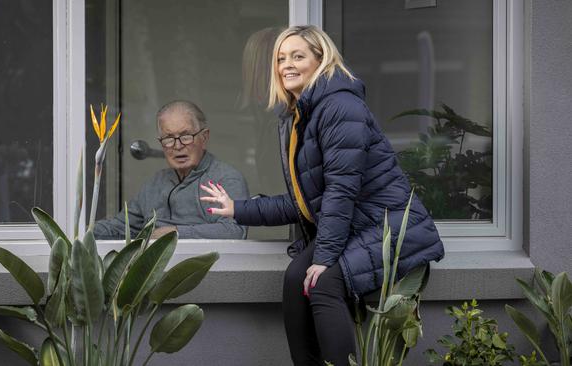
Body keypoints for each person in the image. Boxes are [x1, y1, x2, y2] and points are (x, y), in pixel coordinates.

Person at [201, 26, 444, 365]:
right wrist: (237, 209)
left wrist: (324, 257)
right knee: (294, 279)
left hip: (386, 225)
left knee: (324, 282)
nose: (287, 64)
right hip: (354, 223)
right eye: (281, 58)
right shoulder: (299, 115)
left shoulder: (340, 106)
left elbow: (342, 190)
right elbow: (303, 202)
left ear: (321, 59)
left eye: (297, 56)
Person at [94, 100, 249, 240]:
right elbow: (120, 227)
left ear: (204, 137)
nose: (177, 146)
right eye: (168, 139)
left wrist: (176, 232)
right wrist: (82, 233)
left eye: (186, 136)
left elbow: (234, 230)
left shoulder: (226, 179)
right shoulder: (156, 183)